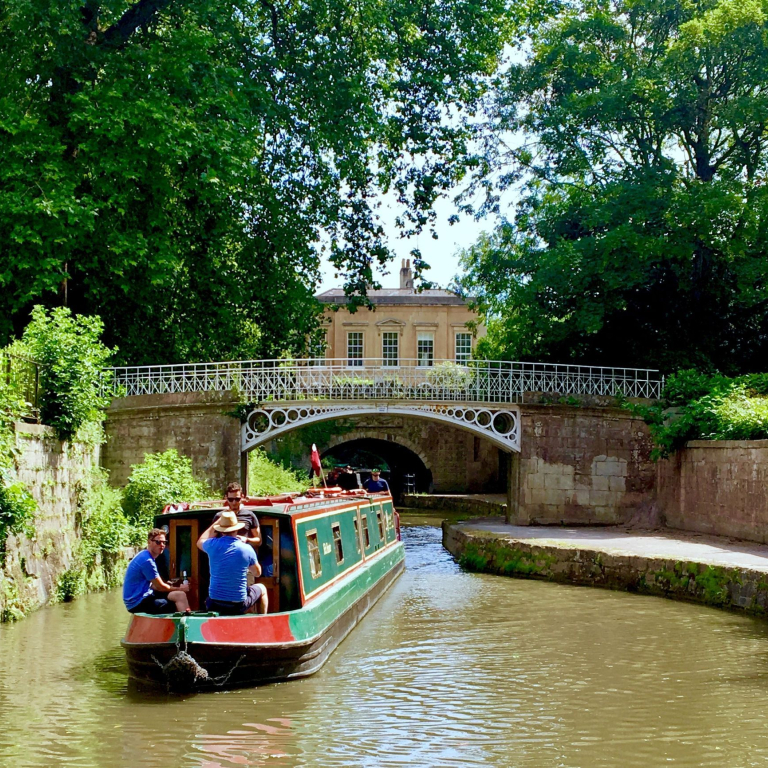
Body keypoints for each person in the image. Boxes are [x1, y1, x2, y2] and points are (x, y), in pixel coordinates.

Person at [197, 510, 268, 615]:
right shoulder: (246, 549)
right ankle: (262, 621)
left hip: (214, 603)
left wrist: (217, 522)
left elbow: (200, 541)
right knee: (262, 588)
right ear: (237, 529)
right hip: (237, 605)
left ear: (221, 531)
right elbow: (257, 573)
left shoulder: (212, 545)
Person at [123, 528, 191, 614]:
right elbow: (159, 587)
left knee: (179, 595)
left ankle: (187, 622)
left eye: (164, 542)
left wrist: (175, 588)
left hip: (146, 595)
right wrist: (180, 588)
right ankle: (179, 625)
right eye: (158, 542)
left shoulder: (147, 556)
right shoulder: (147, 560)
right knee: (169, 605)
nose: (162, 545)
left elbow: (154, 586)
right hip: (137, 603)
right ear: (149, 542)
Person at [213, 482, 261, 549]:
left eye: (237, 499)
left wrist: (246, 539)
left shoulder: (250, 516)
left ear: (242, 497)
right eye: (231, 499)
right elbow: (211, 540)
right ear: (226, 498)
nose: (234, 502)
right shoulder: (219, 517)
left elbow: (258, 540)